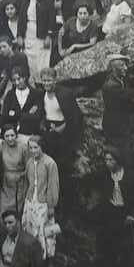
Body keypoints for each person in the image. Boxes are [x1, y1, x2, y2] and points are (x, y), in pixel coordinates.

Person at [38, 67, 83, 203]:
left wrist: (63, 127)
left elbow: (76, 116)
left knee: (62, 167)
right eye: (44, 81)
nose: (46, 83)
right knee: (49, 166)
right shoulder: (42, 94)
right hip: (49, 134)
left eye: (49, 80)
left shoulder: (65, 93)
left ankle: (66, 199)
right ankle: (51, 198)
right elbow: (43, 113)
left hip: (63, 134)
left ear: (55, 80)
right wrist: (44, 125)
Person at [21, 136, 60, 263]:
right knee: (30, 229)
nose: (33, 150)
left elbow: (53, 186)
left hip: (43, 202)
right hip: (31, 201)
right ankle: (32, 257)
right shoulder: (29, 162)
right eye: (30, 148)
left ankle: (45, 259)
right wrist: (25, 199)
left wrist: (51, 206)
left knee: (43, 230)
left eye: (36, 147)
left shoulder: (50, 163)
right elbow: (27, 182)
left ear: (41, 147)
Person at [18, 0, 56, 83]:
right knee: (30, 62)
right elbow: (21, 20)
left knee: (42, 63)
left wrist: (48, 36)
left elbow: (51, 20)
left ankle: (43, 86)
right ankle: (32, 86)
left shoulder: (47, 1)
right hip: (28, 34)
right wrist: (20, 36)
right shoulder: (25, 1)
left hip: (42, 35)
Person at [0, 123, 29, 224]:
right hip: (6, 184)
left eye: (12, 135)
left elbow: (29, 166)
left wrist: (21, 176)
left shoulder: (23, 147)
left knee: (17, 212)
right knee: (4, 211)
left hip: (20, 183)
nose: (10, 138)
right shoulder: (1, 147)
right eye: (7, 136)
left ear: (16, 135)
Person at [1, 67, 44, 139]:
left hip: (30, 134)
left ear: (24, 78)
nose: (17, 83)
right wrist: (27, 114)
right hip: (12, 135)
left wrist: (14, 113)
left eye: (19, 79)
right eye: (14, 80)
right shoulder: (10, 95)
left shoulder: (36, 94)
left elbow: (37, 117)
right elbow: (5, 116)